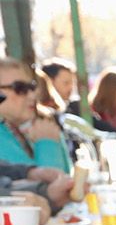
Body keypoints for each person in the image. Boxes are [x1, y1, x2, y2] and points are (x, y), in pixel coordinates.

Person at [0, 58, 75, 209]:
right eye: (20, 88)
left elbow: (68, 185)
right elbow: (52, 194)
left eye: (32, 87)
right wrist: (47, 144)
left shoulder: (22, 128)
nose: (32, 96)